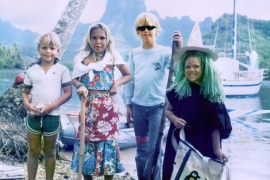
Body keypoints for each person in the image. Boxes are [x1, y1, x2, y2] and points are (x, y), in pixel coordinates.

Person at [162, 22, 232, 179]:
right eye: (187, 66)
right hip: (180, 142)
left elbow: (216, 125)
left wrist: (216, 150)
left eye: (196, 66)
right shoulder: (178, 90)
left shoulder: (212, 94)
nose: (191, 70)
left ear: (205, 67)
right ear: (183, 69)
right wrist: (174, 119)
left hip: (204, 142)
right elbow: (167, 110)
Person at [70, 22, 132, 180]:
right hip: (88, 108)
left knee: (108, 144)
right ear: (89, 39)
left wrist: (116, 83)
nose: (98, 42)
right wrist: (81, 86)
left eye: (102, 38)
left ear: (108, 39)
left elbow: (128, 75)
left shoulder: (112, 57)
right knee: (86, 143)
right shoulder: (82, 57)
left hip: (108, 110)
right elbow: (74, 79)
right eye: (95, 38)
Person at [124, 12, 182, 180]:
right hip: (138, 108)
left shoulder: (165, 52)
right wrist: (128, 105)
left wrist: (179, 47)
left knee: (155, 149)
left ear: (157, 30)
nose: (146, 30)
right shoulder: (134, 53)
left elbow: (177, 71)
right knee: (141, 149)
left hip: (158, 108)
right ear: (137, 31)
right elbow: (130, 80)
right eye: (142, 28)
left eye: (150, 27)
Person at [22, 31, 72, 180]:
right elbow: (26, 93)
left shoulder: (62, 70)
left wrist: (50, 107)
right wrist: (28, 105)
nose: (48, 51)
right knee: (33, 150)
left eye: (52, 48)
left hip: (53, 116)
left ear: (58, 51)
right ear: (39, 49)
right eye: (44, 48)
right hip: (34, 116)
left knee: (49, 151)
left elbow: (68, 93)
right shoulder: (31, 71)